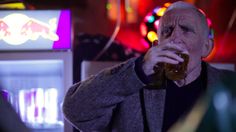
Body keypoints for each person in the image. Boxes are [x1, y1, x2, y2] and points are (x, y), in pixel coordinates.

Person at [63, 1, 236, 132]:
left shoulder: (227, 85)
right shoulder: (132, 83)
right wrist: (138, 71)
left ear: (206, 46)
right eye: (167, 31)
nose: (174, 38)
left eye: (186, 29)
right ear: (156, 44)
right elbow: (75, 110)